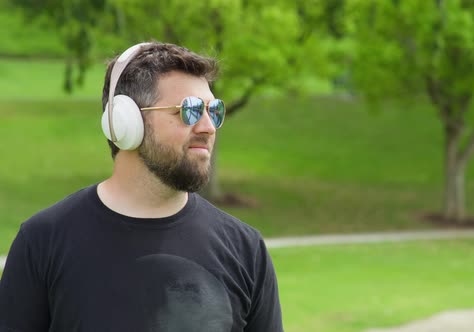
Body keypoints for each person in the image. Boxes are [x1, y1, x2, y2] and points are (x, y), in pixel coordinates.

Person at [0, 42, 283, 332]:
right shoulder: (43, 242)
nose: (208, 126)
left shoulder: (246, 249)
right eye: (190, 110)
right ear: (125, 123)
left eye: (214, 110)